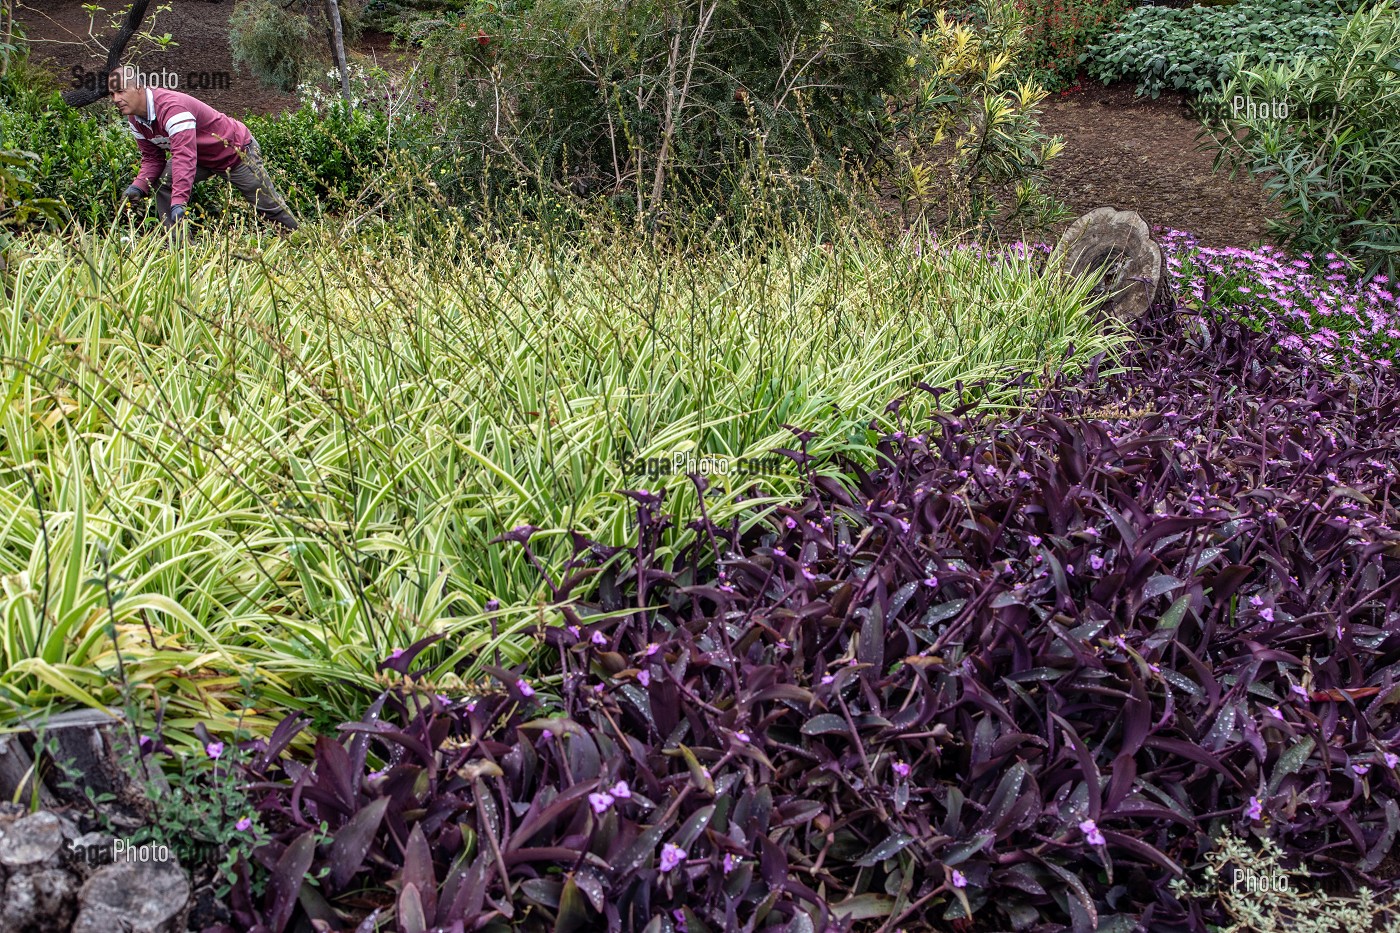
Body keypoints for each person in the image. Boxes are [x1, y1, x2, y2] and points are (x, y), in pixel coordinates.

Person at [108, 64, 299, 235]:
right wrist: (138, 186)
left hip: (235, 153)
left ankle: (302, 241)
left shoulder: (172, 108)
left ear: (139, 87)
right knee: (163, 182)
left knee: (268, 206)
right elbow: (153, 159)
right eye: (112, 94)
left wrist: (179, 202)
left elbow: (184, 156)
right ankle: (180, 250)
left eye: (121, 91)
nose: (116, 99)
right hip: (201, 158)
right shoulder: (135, 120)